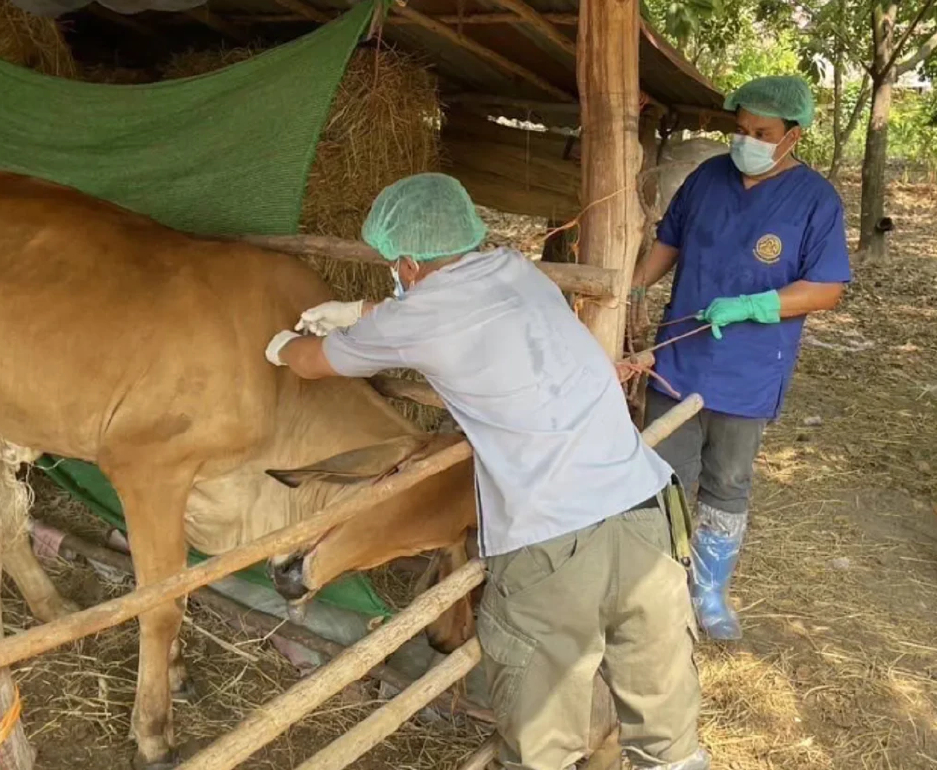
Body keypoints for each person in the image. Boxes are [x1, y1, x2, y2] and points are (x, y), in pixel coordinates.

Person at [265, 173, 709, 770]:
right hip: (648, 512)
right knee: (668, 738)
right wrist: (363, 311)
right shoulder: (515, 270)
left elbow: (314, 364)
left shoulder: (415, 315)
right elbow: (451, 314)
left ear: (408, 262)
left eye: (395, 266)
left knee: (540, 742)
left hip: (555, 543)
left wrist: (277, 344)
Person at [630, 75, 851, 641]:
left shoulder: (816, 201)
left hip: (750, 367)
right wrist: (632, 288)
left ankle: (708, 590)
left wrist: (757, 304)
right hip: (677, 362)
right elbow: (669, 241)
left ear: (792, 136)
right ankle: (659, 587)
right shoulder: (707, 178)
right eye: (741, 129)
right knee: (662, 476)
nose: (746, 140)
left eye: (762, 132)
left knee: (727, 481)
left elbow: (826, 289)